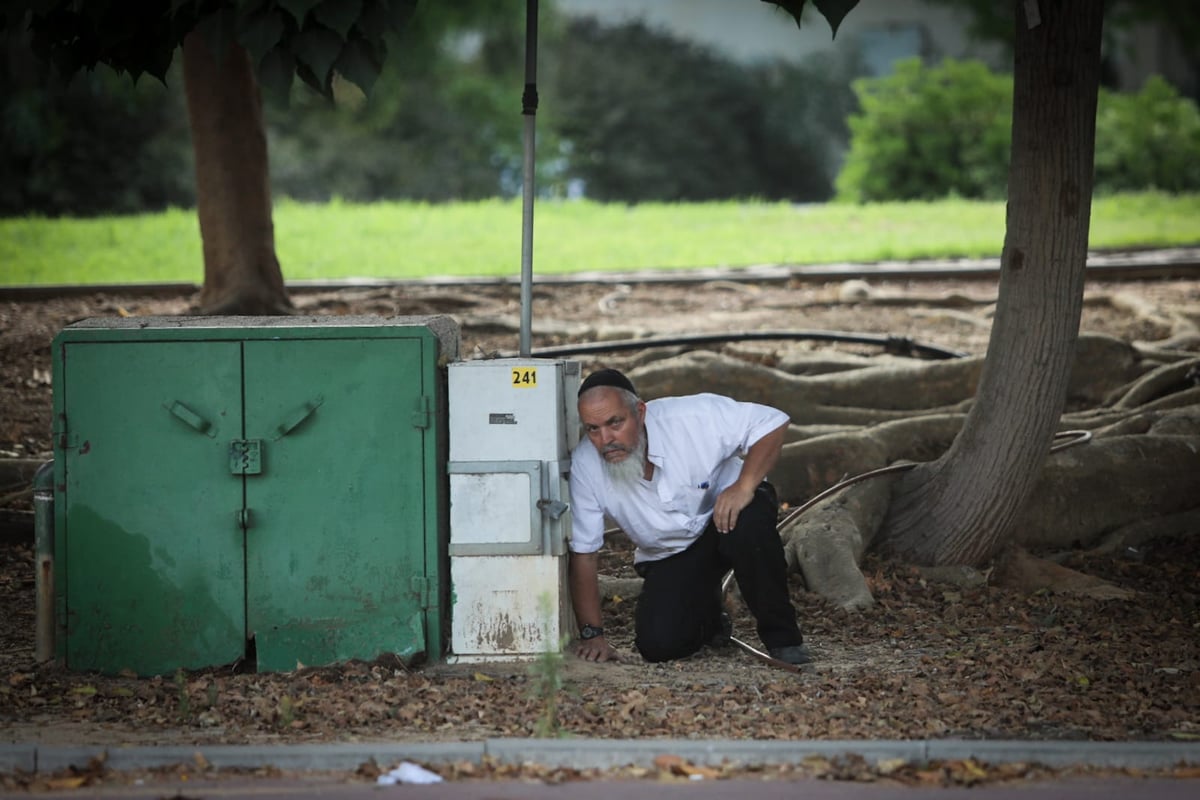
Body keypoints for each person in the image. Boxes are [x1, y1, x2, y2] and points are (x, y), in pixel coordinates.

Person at [567, 367, 811, 666]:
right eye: (593, 429)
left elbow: (771, 422)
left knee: (750, 527)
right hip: (671, 552)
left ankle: (783, 638)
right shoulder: (585, 466)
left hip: (729, 516)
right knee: (658, 645)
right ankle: (711, 620)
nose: (606, 439)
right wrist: (592, 634)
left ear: (640, 412)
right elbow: (584, 553)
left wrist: (744, 486)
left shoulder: (690, 417)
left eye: (615, 422)